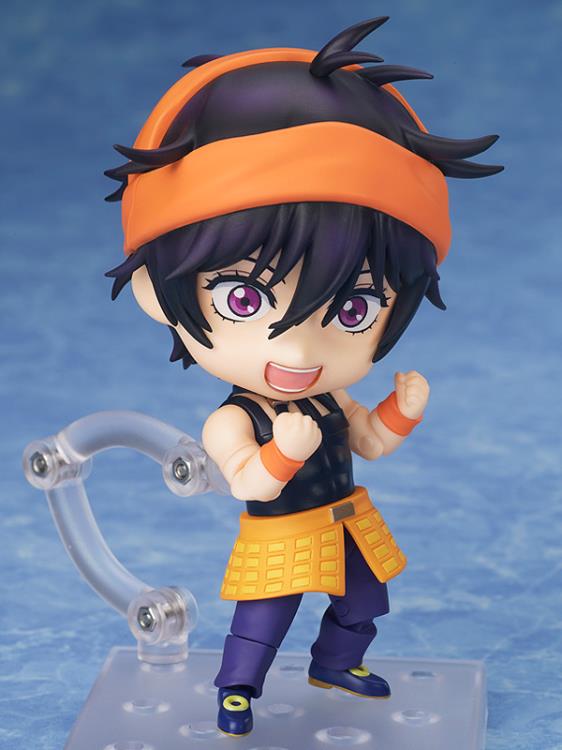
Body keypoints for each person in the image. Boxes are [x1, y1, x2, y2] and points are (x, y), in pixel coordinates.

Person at [105, 17, 502, 737]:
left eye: (353, 308)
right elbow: (248, 482)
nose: (299, 348)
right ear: (157, 293)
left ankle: (336, 664)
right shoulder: (234, 419)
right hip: (280, 534)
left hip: (347, 519)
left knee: (365, 603)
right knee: (264, 617)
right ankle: (236, 688)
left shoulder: (329, 396)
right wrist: (282, 452)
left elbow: (369, 441)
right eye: (245, 299)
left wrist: (401, 411)